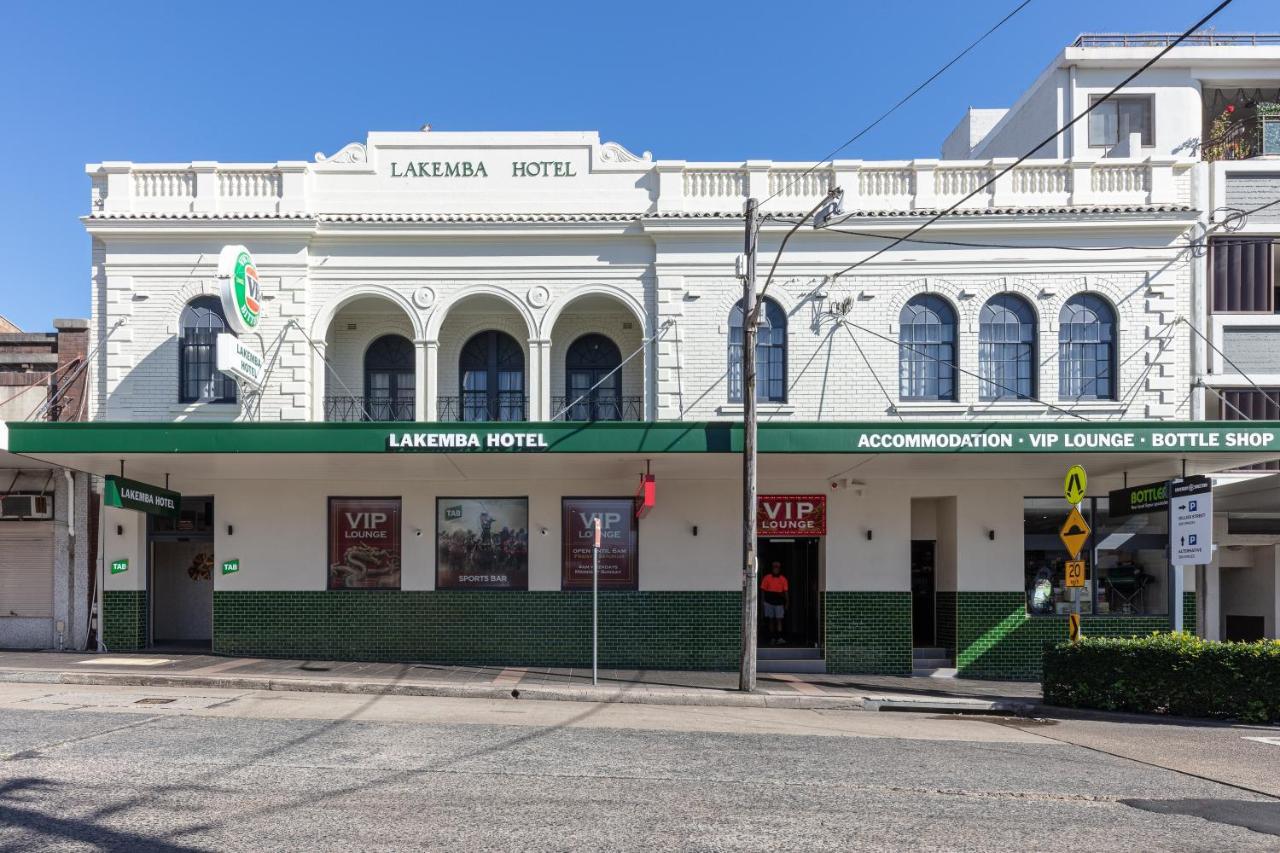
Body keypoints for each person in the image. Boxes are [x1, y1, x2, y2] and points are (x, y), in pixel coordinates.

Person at [760, 561, 790, 645]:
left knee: (779, 620)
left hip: (779, 602)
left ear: (779, 569)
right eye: (774, 567)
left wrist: (787, 602)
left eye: (777, 567)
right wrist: (762, 602)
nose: (776, 569)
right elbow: (763, 590)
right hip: (769, 602)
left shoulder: (783, 579)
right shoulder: (767, 578)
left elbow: (786, 592)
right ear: (772, 568)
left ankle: (779, 638)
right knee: (771, 620)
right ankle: (772, 638)